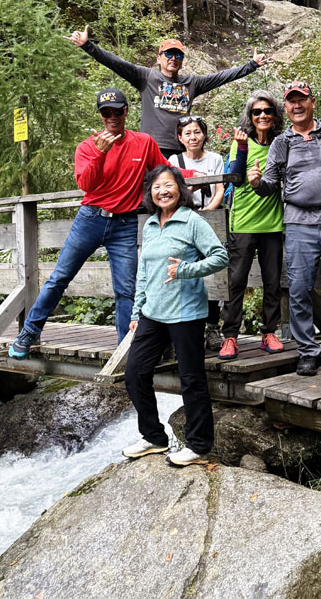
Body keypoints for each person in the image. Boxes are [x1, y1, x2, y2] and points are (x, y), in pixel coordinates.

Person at [8, 89, 184, 359]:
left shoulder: (144, 142)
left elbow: (165, 171)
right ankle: (29, 332)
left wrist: (197, 175)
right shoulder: (87, 147)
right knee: (59, 278)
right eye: (106, 112)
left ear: (126, 111)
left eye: (117, 110)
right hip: (91, 218)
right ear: (101, 115)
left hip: (125, 223)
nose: (112, 116)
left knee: (126, 288)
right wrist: (100, 154)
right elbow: (86, 185)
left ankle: (126, 347)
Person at [122, 165, 229, 466]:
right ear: (150, 193)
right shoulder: (151, 225)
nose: (162, 191)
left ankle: (198, 445)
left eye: (168, 185)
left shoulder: (192, 221)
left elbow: (220, 256)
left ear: (180, 189)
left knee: (191, 379)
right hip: (152, 313)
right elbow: (143, 272)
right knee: (134, 373)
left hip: (186, 313)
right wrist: (136, 311)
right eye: (157, 187)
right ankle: (154, 437)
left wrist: (185, 270)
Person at [248, 80, 321, 376]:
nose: (297, 105)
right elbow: (270, 185)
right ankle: (307, 350)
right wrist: (257, 183)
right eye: (291, 101)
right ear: (287, 107)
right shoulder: (281, 143)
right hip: (298, 222)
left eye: (302, 100)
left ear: (312, 102)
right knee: (298, 288)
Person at [64, 25, 267, 157]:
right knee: (150, 194)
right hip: (150, 147)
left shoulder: (192, 83)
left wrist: (251, 65)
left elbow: (222, 77)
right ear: (159, 57)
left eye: (178, 55)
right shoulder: (145, 77)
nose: (173, 58)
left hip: (182, 148)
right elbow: (115, 63)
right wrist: (87, 46)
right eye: (168, 54)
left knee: (177, 194)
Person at [218, 91, 285, 361]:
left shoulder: (281, 143)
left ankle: (269, 332)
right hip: (244, 221)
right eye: (257, 112)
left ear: (275, 114)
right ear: (250, 116)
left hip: (273, 222)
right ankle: (230, 336)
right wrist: (242, 148)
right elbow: (234, 175)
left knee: (272, 281)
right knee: (236, 281)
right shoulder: (241, 141)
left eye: (267, 111)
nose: (262, 116)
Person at [169, 115, 225, 350]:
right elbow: (173, 191)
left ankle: (213, 327)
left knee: (212, 273)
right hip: (184, 221)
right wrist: (195, 185)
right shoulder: (175, 159)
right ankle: (187, 328)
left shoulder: (215, 158)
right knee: (186, 271)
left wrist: (208, 209)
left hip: (211, 220)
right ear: (180, 138)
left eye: (197, 132)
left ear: (204, 135)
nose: (193, 137)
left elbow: (220, 188)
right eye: (187, 133)